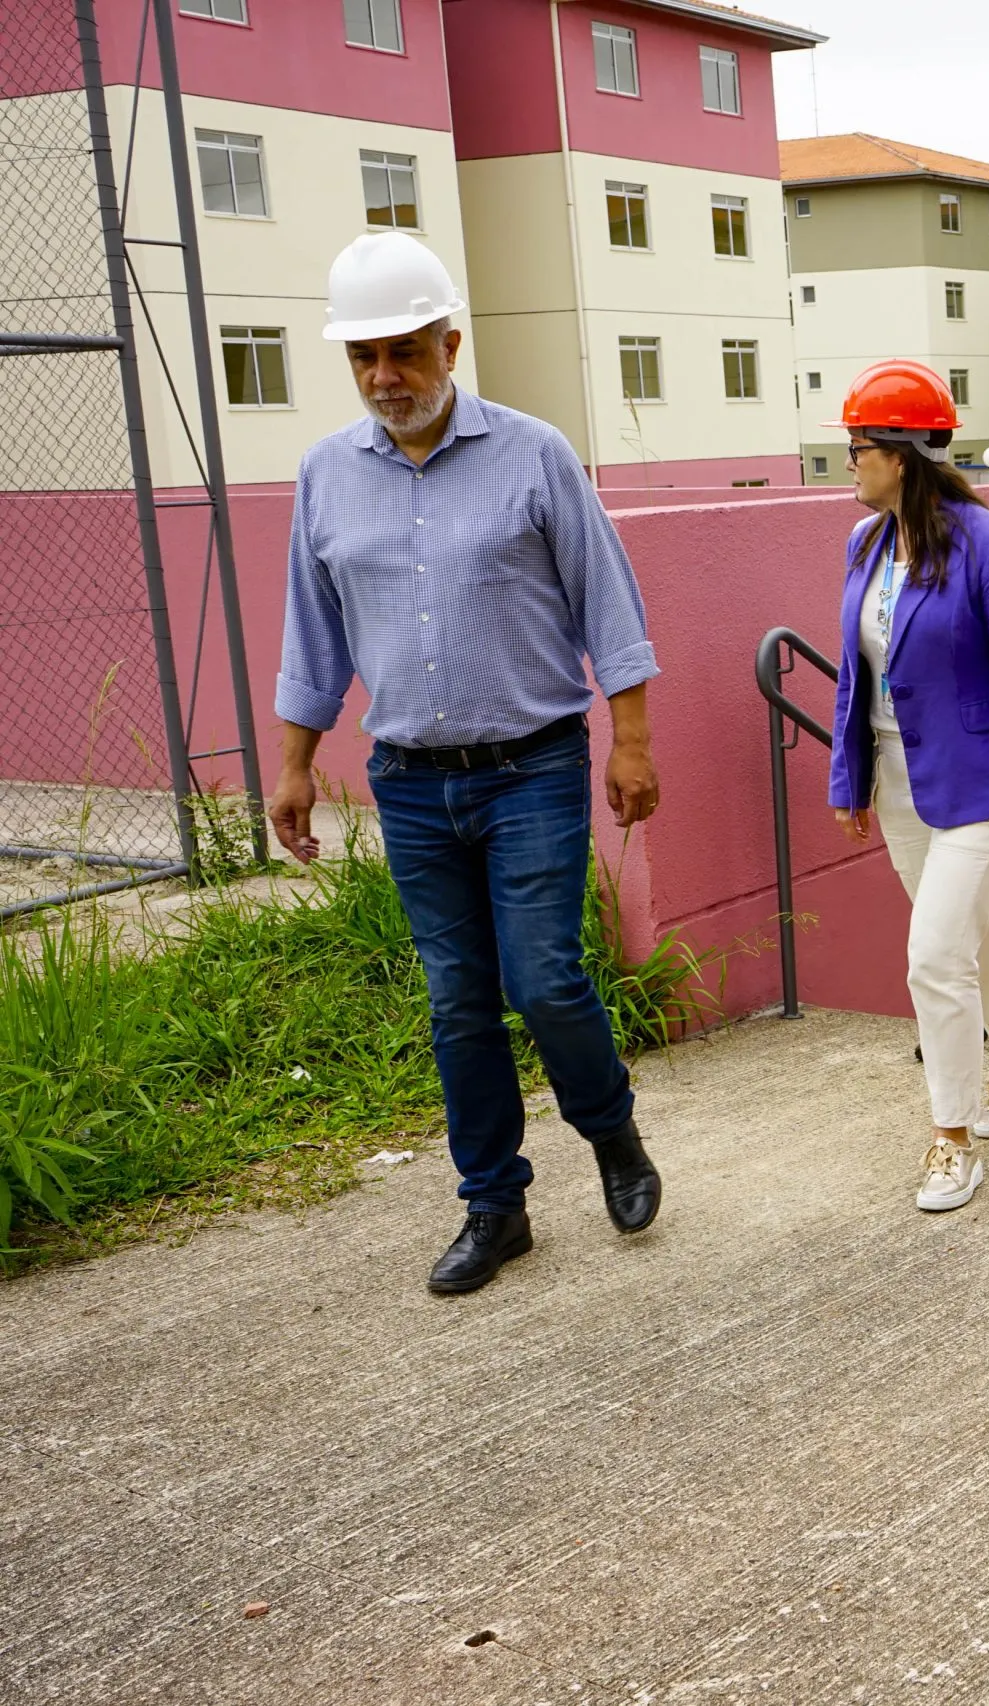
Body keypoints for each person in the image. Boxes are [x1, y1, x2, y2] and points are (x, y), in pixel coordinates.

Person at [266, 232, 665, 1295]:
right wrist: (296, 762)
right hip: (407, 777)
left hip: (531, 765)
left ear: (450, 340)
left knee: (544, 980)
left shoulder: (534, 453)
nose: (384, 376)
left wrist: (629, 741)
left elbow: (609, 604)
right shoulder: (324, 475)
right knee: (457, 1001)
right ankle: (496, 1206)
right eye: (364, 358)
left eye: (402, 351)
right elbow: (314, 634)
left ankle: (611, 1129)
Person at [828, 360, 989, 1214]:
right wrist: (852, 775)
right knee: (972, 934)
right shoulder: (865, 544)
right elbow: (859, 679)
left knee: (933, 956)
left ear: (902, 454)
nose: (847, 460)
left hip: (985, 784)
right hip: (899, 776)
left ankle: (952, 1139)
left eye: (858, 446)